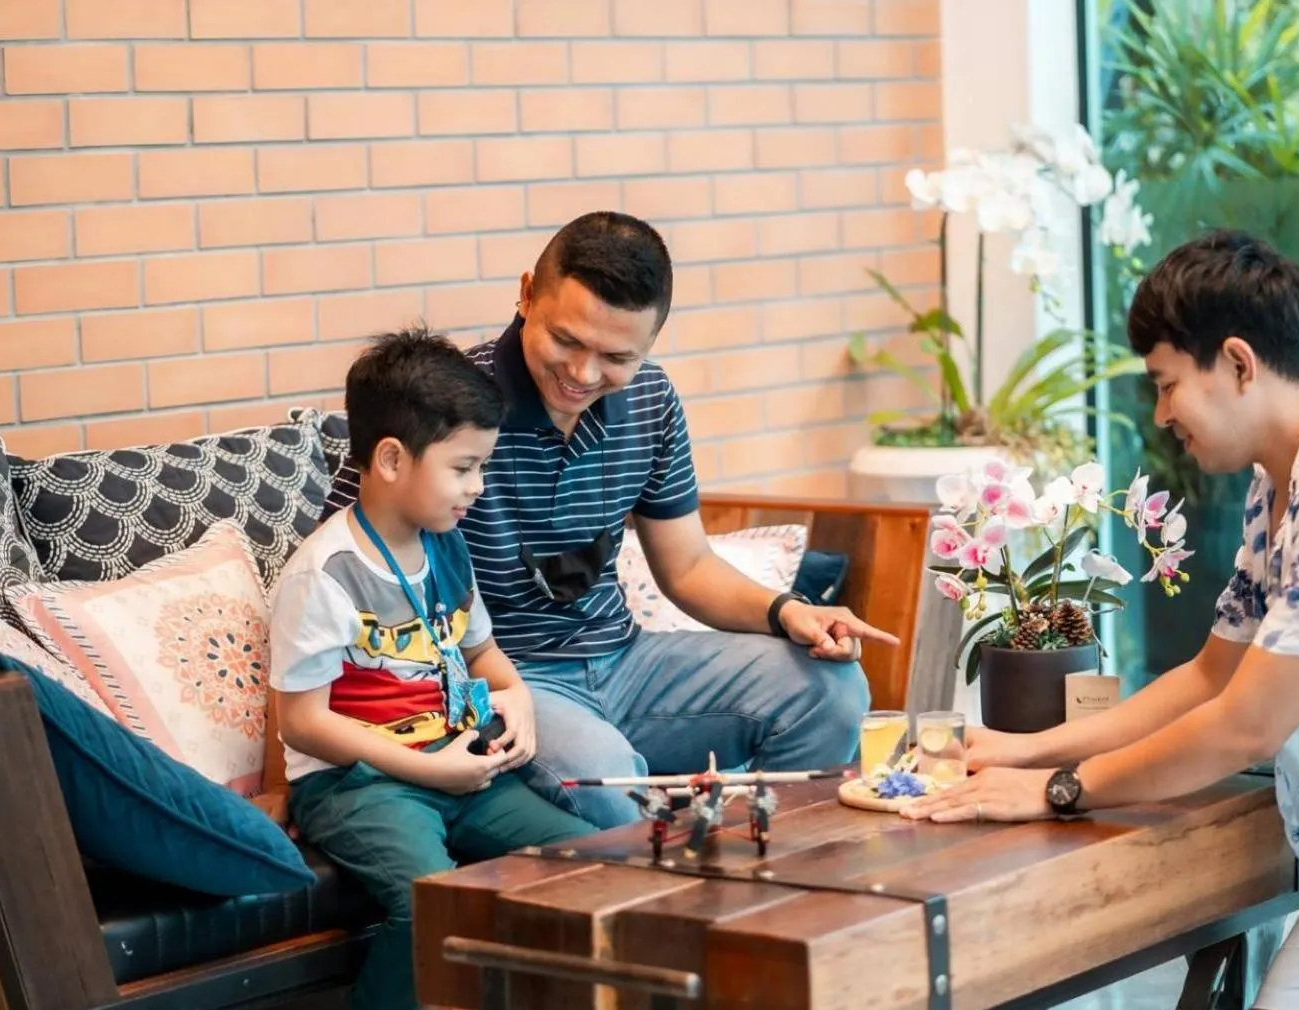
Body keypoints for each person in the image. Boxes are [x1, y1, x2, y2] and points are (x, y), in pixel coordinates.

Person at [904, 230, 1299, 1010]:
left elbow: (1244, 725)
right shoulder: (1284, 479)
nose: (1162, 415)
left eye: (1167, 385)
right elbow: (1207, 678)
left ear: (1237, 362)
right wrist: (1023, 751)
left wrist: (1061, 790)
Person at [324, 211, 897, 829]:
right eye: (566, 341)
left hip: (629, 663)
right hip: (507, 681)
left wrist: (789, 612)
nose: (583, 374)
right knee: (614, 784)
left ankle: (756, 860)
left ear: (650, 344)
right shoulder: (444, 405)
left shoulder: (651, 401)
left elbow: (690, 567)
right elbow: (343, 564)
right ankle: (684, 879)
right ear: (525, 294)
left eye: (616, 355)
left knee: (831, 693)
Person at [269, 330, 596, 1010]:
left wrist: (518, 702)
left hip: (457, 767)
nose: (478, 488)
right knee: (431, 903)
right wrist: (429, 768)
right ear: (391, 459)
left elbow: (485, 654)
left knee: (591, 857)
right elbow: (301, 722)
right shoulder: (325, 573)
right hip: (359, 784)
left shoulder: (447, 546)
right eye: (464, 468)